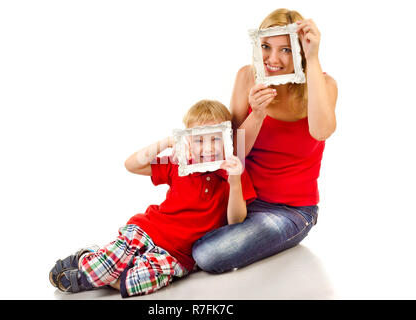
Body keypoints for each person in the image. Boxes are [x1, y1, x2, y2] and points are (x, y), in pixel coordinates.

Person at [48, 99, 257, 297]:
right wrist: (167, 142)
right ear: (188, 142)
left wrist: (235, 180)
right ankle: (90, 258)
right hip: (148, 230)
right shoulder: (179, 164)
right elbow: (132, 164)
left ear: (227, 139)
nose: (209, 148)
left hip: (178, 256)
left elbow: (236, 221)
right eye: (199, 140)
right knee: (104, 267)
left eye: (216, 139)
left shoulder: (233, 172)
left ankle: (102, 273)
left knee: (136, 282)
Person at [192, 8, 338, 273]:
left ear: (301, 52)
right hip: (240, 197)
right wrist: (256, 115)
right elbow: (232, 154)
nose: (273, 59)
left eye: (286, 50)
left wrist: (313, 58)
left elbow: (321, 131)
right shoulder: (246, 77)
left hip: (290, 211)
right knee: (172, 224)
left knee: (208, 254)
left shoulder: (323, 84)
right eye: (266, 46)